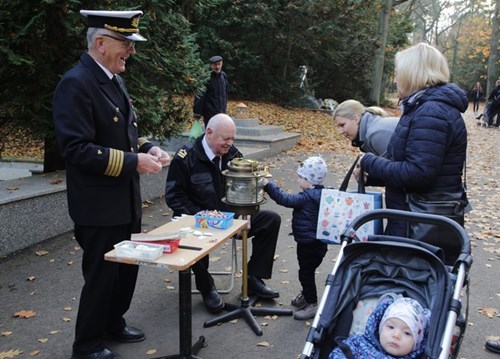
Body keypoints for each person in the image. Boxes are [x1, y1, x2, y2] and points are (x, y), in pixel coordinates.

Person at [53, 9, 170, 359]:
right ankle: (86, 344)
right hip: (99, 206)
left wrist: (148, 147)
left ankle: (112, 323)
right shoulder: (75, 83)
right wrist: (135, 161)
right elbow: (75, 149)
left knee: (124, 271)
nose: (131, 51)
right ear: (100, 43)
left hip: (124, 201)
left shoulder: (113, 80)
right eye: (125, 43)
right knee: (102, 278)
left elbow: (121, 132)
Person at [164, 113, 281, 313]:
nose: (230, 143)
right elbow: (173, 195)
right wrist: (201, 218)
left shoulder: (232, 154)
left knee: (271, 220)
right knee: (191, 240)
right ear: (209, 133)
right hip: (197, 219)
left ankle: (253, 278)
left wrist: (246, 212)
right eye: (225, 138)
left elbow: (246, 187)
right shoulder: (186, 157)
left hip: (230, 215)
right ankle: (207, 288)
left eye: (232, 138)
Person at [358, 43, 468, 242]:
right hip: (413, 218)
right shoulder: (424, 109)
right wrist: (371, 176)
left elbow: (418, 173)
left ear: (412, 74)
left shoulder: (431, 112)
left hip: (418, 224)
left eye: (399, 73)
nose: (395, 79)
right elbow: (417, 167)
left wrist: (369, 162)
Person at [263, 156, 328, 320]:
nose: (298, 180)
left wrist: (268, 185)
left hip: (310, 244)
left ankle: (311, 303)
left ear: (310, 180)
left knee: (306, 273)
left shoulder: (308, 198)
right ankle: (306, 295)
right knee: (306, 272)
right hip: (315, 243)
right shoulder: (319, 194)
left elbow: (285, 199)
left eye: (301, 177)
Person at [329, 296, 431, 359]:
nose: (396, 335)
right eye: (391, 327)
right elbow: (338, 353)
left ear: (417, 342)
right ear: (380, 328)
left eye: (407, 333)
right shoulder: (359, 344)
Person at [333, 99, 399, 156]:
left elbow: (394, 168)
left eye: (342, 125)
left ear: (355, 119)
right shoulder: (372, 128)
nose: (340, 132)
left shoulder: (375, 134)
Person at [193, 55, 229, 127]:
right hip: (209, 114)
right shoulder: (206, 78)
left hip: (222, 113)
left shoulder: (223, 76)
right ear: (211, 65)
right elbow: (199, 96)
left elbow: (225, 93)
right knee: (211, 135)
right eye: (215, 65)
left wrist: (224, 108)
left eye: (219, 64)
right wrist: (197, 112)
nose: (217, 67)